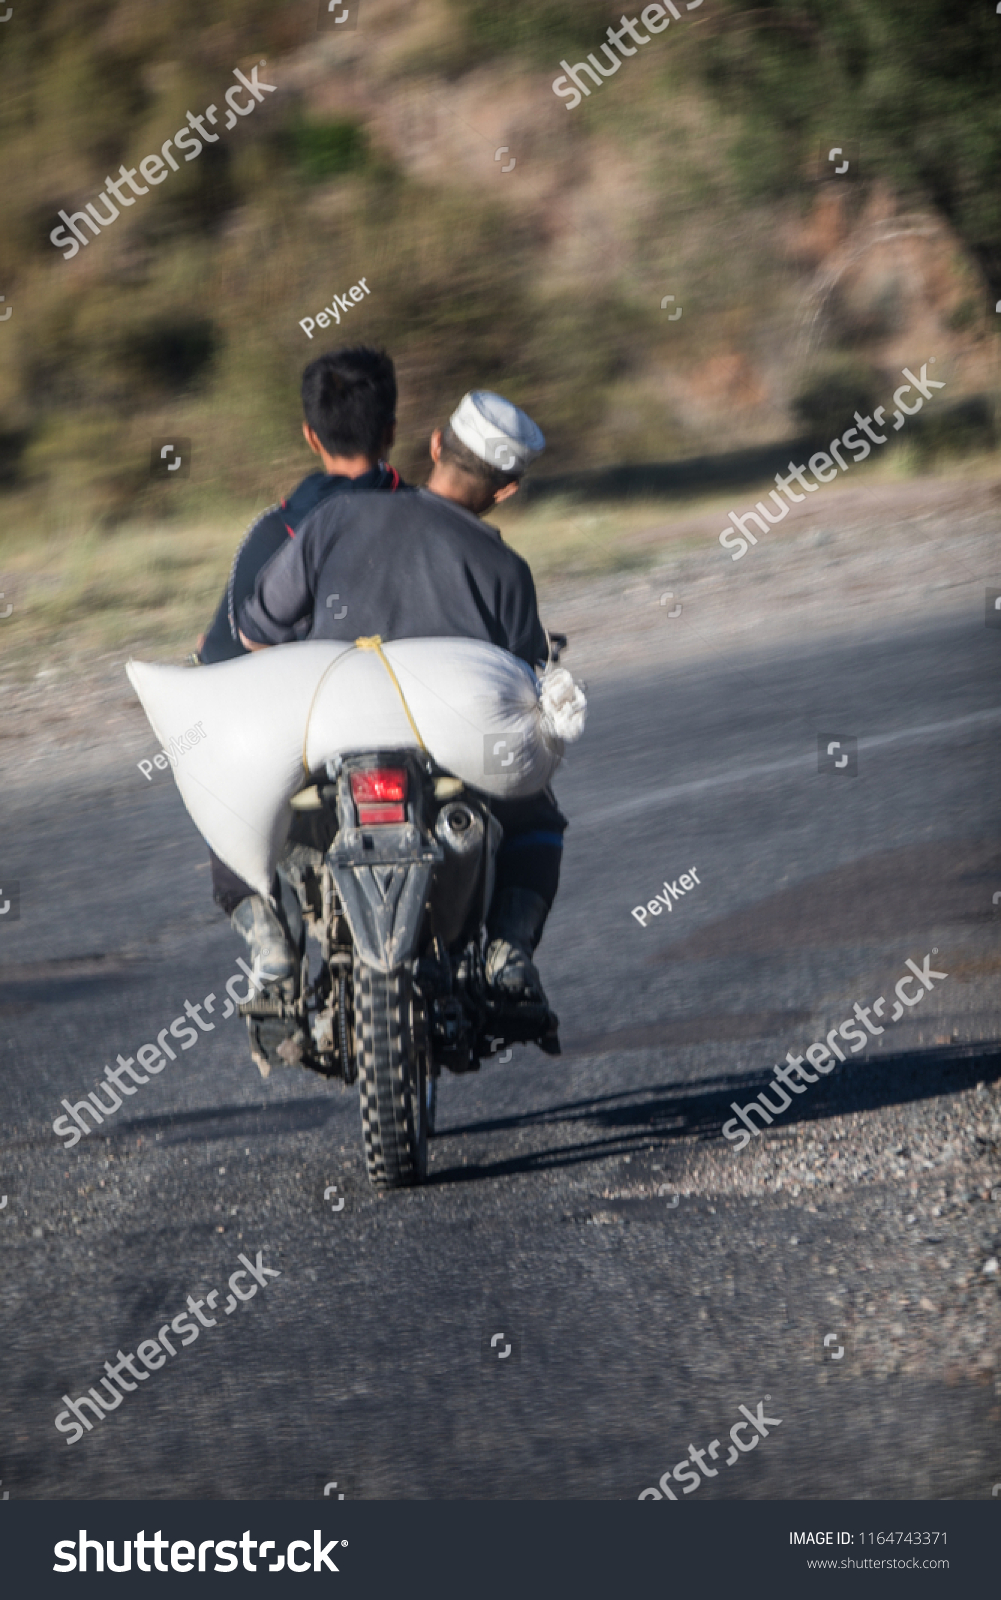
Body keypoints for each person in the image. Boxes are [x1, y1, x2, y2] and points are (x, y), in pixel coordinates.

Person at [235, 389, 568, 1011]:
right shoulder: (505, 569)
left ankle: (273, 951)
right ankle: (508, 950)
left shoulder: (336, 519)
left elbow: (258, 631)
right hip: (446, 755)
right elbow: (523, 684)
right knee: (537, 811)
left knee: (234, 800)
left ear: (436, 445)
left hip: (325, 741)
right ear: (507, 491)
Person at [195, 345, 404, 929]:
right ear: (391, 429)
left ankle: (266, 938)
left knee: (220, 778)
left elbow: (221, 655)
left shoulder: (275, 530)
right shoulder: (429, 517)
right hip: (418, 731)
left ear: (311, 435)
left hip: (305, 750)